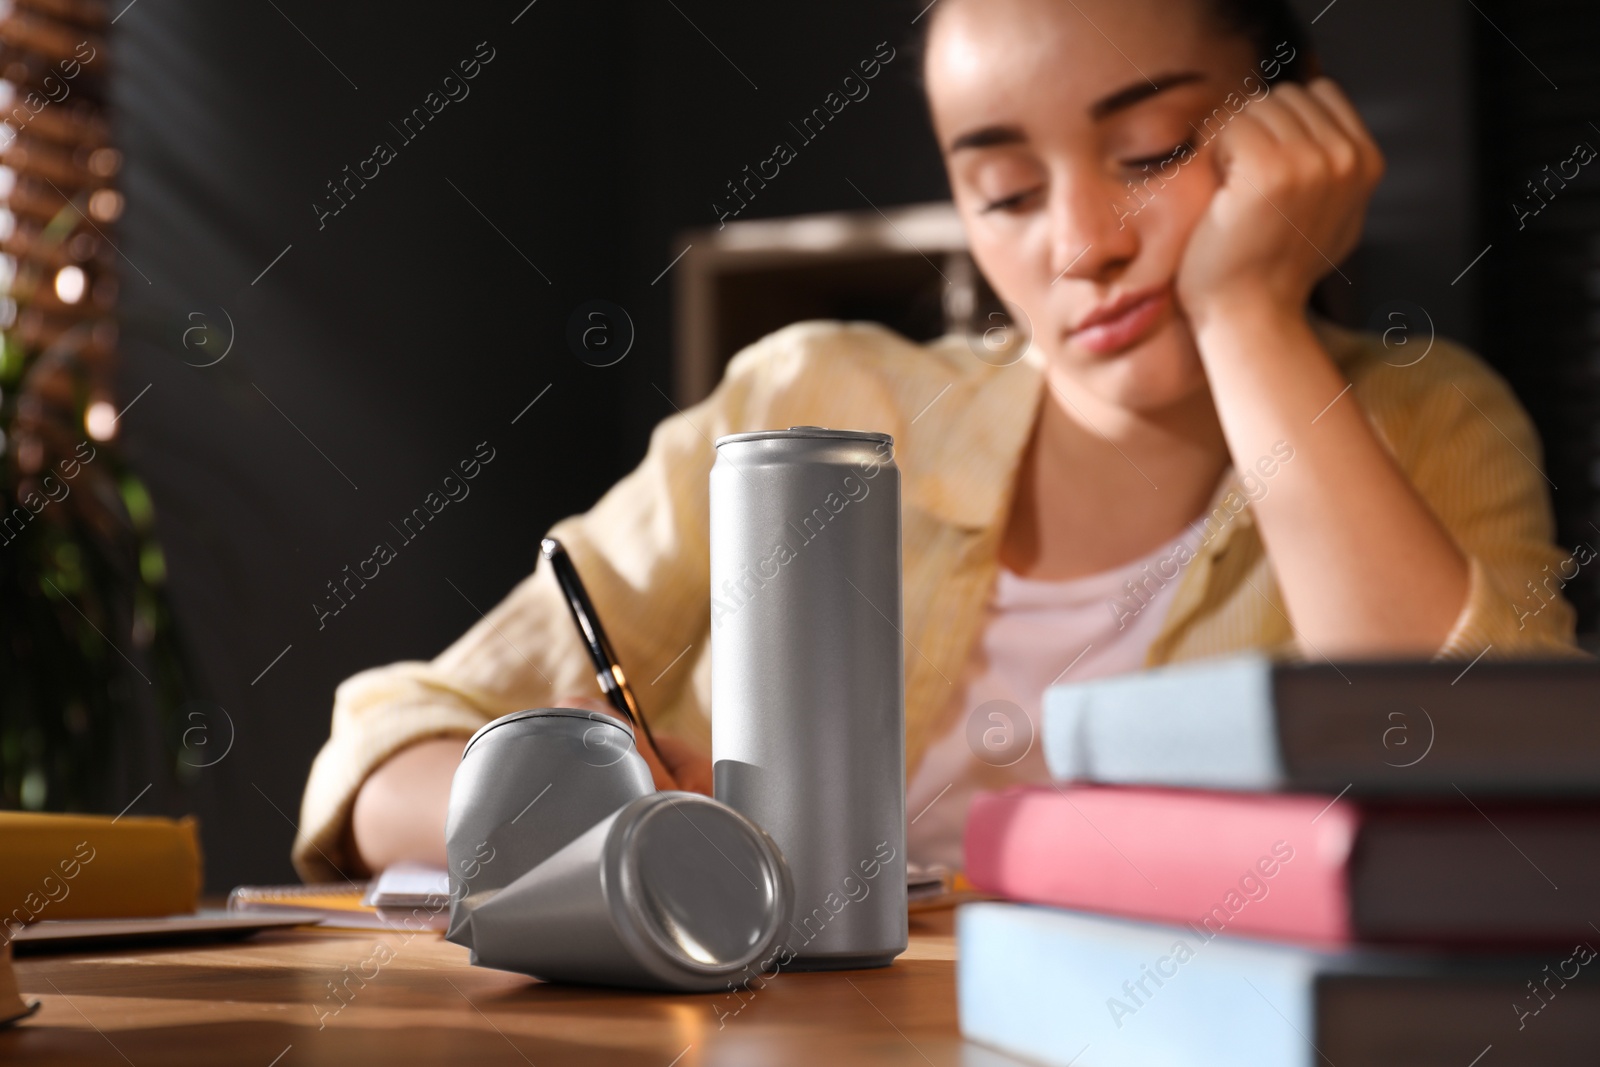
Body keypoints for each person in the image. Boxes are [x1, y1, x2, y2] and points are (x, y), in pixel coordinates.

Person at [294, 0, 1580, 882]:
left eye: (1151, 150)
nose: (1080, 244)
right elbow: (385, 746)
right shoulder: (811, 400)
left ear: (1297, 145)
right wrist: (594, 808)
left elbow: (1487, 811)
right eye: (1006, 192)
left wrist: (1247, 308)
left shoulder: (1423, 421)